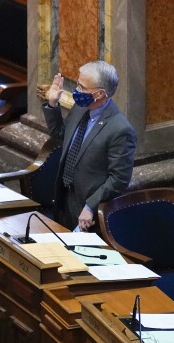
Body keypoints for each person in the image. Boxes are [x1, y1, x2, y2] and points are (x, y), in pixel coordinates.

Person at [41, 60, 136, 231]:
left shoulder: (120, 130)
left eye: (82, 87)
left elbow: (118, 180)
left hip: (86, 211)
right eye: (78, 84)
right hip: (63, 197)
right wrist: (53, 104)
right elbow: (61, 135)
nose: (76, 90)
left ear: (100, 94)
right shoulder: (80, 107)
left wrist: (90, 206)